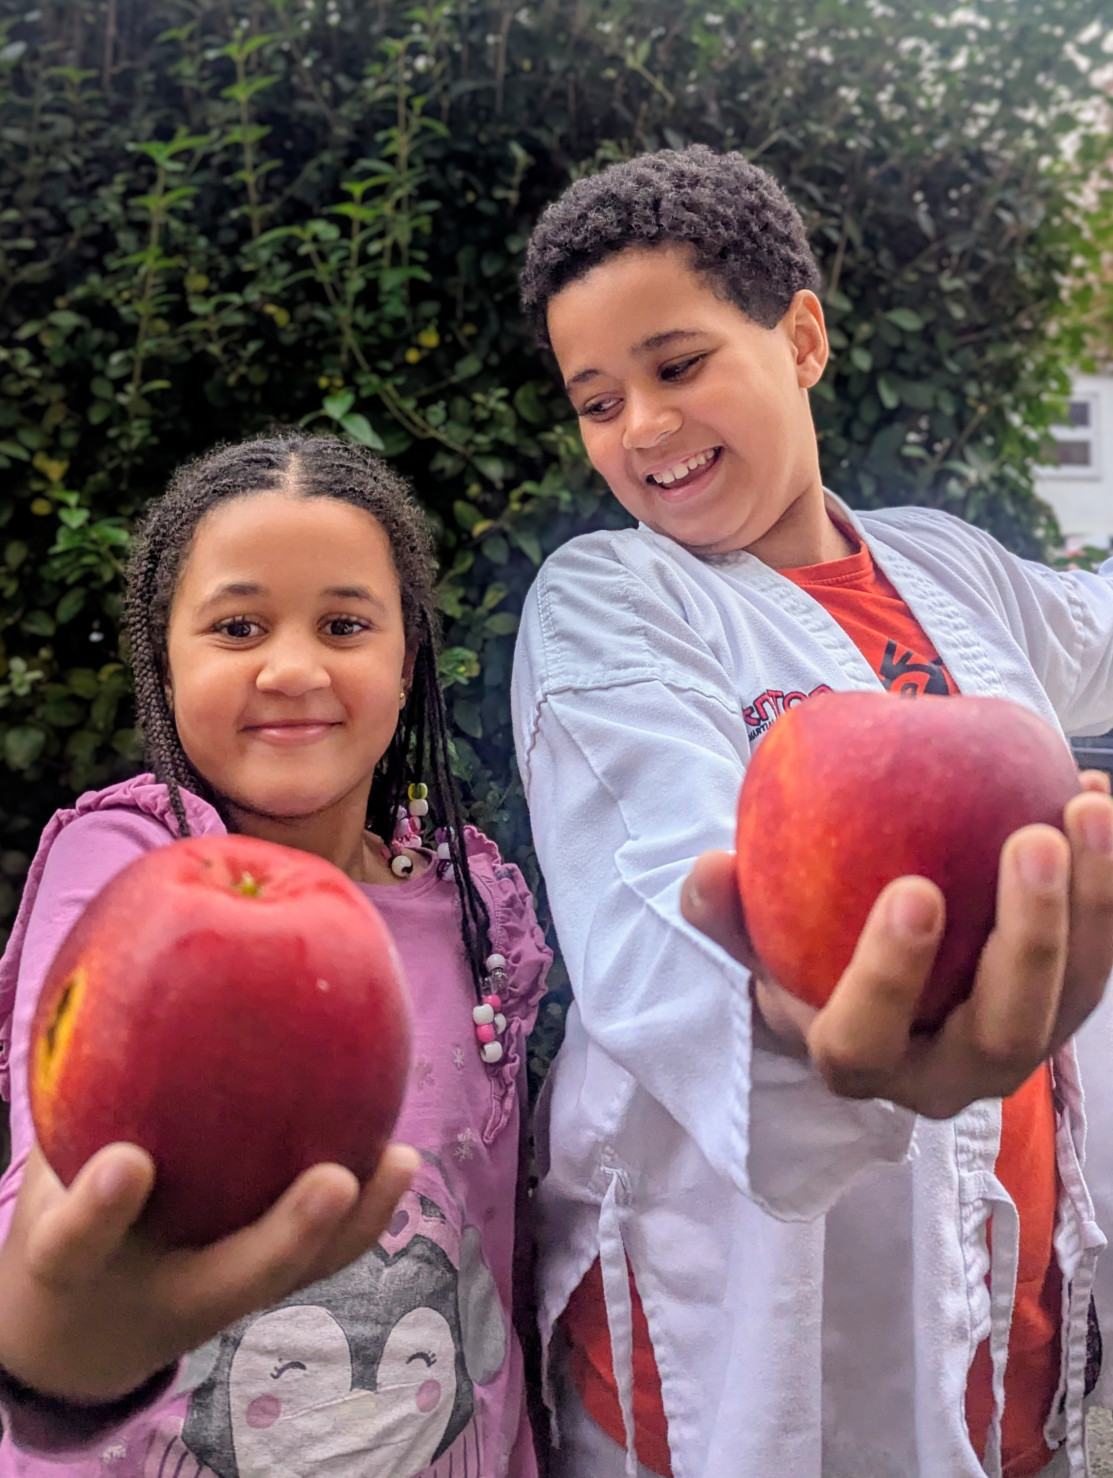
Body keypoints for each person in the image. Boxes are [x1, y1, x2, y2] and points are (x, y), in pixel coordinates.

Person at [510, 144, 1113, 1478]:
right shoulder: (610, 602)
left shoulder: (948, 567)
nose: (643, 428)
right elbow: (653, 901)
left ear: (801, 334)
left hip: (1008, 1319)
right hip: (737, 1334)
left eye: (676, 365)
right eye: (595, 399)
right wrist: (799, 1033)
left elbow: (1097, 620)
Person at [0, 433, 551, 1478]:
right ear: (167, 655)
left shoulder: (476, 903)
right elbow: (53, 1181)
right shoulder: (125, 863)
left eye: (345, 623)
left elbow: (497, 1237)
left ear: (406, 660)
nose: (293, 667)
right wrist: (54, 1347)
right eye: (239, 625)